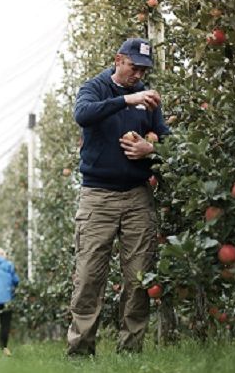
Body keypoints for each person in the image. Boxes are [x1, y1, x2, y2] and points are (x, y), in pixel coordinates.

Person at [67, 37, 170, 356]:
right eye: (134, 67)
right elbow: (82, 114)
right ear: (118, 60)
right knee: (88, 275)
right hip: (98, 196)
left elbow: (166, 137)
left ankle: (130, 351)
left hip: (137, 195)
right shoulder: (96, 87)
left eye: (144, 70)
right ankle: (81, 350)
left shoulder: (149, 99)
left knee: (138, 276)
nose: (139, 74)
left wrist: (151, 149)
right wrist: (127, 100)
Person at [0, 247, 19, 356]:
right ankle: (3, 348)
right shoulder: (8, 265)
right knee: (5, 324)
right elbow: (16, 281)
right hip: (6, 299)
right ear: (3, 255)